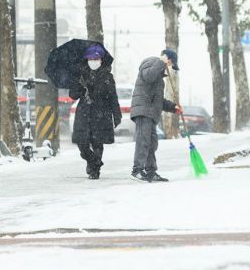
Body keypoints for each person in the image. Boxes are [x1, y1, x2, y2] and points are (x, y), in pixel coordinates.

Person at [68, 44, 121, 179]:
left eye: (95, 59)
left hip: (101, 113)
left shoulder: (107, 77)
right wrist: (80, 87)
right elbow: (72, 95)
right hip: (84, 113)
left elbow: (113, 97)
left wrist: (117, 114)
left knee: (98, 143)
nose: (93, 61)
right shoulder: (80, 75)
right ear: (86, 60)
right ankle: (94, 162)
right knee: (82, 144)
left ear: (101, 60)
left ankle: (94, 171)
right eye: (90, 58)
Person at [130, 49, 181, 182]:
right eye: (170, 62)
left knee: (152, 143)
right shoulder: (151, 63)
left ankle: (151, 172)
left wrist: (173, 107)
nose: (169, 66)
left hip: (151, 113)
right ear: (166, 58)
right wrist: (160, 61)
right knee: (143, 141)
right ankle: (137, 170)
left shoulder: (159, 79)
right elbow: (148, 76)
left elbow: (159, 101)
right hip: (143, 110)